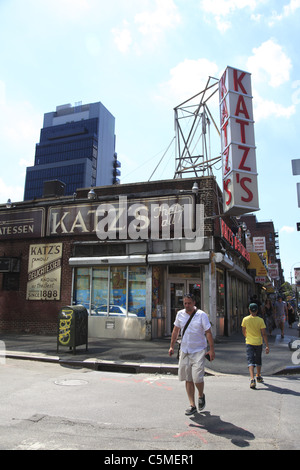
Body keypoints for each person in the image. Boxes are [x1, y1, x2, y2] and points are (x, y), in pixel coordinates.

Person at [168, 294, 215, 416]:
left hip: (199, 350)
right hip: (185, 350)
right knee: (188, 378)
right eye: (185, 303)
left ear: (194, 303)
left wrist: (212, 349)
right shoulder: (180, 314)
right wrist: (171, 346)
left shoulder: (201, 315)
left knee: (197, 377)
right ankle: (192, 405)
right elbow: (175, 330)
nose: (187, 306)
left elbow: (208, 332)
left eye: (189, 303)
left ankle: (201, 394)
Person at [241, 303, 269, 389]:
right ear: (257, 310)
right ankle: (259, 375)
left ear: (249, 310)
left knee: (250, 360)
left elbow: (243, 331)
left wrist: (247, 337)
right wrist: (267, 345)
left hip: (249, 342)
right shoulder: (260, 320)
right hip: (258, 342)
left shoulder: (245, 319)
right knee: (258, 359)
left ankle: (252, 379)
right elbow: (264, 333)